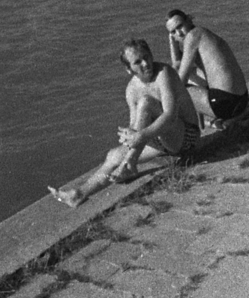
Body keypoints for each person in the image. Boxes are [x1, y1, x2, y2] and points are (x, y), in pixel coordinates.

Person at [49, 40, 201, 207]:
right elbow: (135, 123)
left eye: (146, 57)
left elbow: (170, 115)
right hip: (162, 140)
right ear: (129, 69)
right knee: (113, 156)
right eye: (138, 62)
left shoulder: (164, 73)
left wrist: (140, 136)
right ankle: (79, 194)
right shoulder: (131, 89)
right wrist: (129, 134)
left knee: (146, 103)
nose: (146, 63)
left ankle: (130, 164)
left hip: (186, 137)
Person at [167, 10, 249, 124]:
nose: (179, 33)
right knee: (192, 73)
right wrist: (173, 43)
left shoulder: (192, 36)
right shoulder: (203, 34)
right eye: (173, 32)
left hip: (226, 105)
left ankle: (194, 132)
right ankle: (202, 124)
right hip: (242, 101)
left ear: (189, 20)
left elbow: (180, 81)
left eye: (180, 26)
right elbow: (178, 64)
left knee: (176, 89)